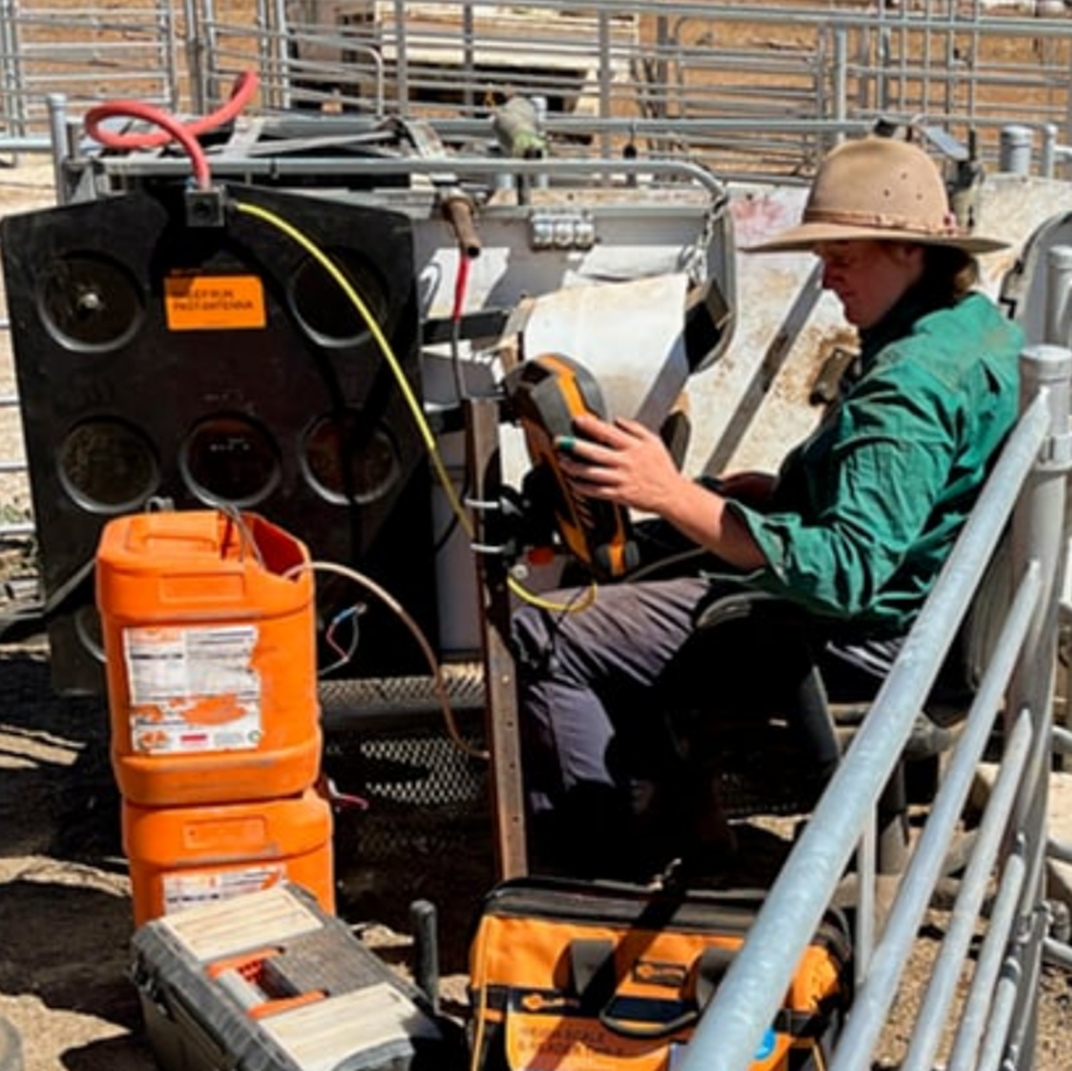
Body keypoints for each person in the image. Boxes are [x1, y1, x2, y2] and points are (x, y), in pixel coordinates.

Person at [511, 133, 1025, 882]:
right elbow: (913, 495)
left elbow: (845, 568)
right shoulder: (975, 332)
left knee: (546, 631)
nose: (829, 276)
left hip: (857, 639)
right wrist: (786, 494)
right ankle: (695, 835)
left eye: (844, 254)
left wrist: (671, 492)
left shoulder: (906, 384)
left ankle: (596, 879)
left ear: (911, 250)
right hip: (922, 623)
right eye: (824, 257)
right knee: (648, 571)